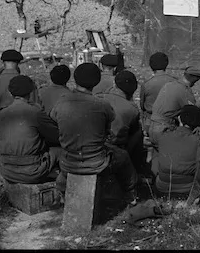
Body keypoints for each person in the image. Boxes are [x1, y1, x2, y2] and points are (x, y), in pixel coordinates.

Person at [51, 63, 138, 205]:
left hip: (68, 162)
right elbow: (108, 128)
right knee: (123, 156)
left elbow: (54, 118)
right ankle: (130, 194)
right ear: (97, 81)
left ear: (75, 79)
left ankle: (61, 192)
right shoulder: (102, 104)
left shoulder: (62, 101)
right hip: (96, 163)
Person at [0, 75, 61, 184]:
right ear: (31, 92)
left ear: (10, 93)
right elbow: (57, 137)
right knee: (61, 151)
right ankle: (62, 185)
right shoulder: (35, 112)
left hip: (6, 171)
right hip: (31, 172)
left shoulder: (0, 114)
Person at [96, 70, 144, 173]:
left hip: (93, 147)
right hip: (114, 149)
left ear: (115, 84)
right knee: (138, 131)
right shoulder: (131, 109)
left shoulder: (98, 98)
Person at [152, 105, 200, 199]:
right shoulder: (198, 141)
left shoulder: (164, 136)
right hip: (187, 191)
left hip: (162, 189)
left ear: (180, 119)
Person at [0, 50, 38, 135]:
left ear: (3, 63)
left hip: (0, 128)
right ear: (18, 63)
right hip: (24, 126)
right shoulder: (27, 82)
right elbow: (36, 106)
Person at [149, 67, 200, 146]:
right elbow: (192, 115)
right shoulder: (185, 90)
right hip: (164, 129)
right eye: (197, 79)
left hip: (152, 126)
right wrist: (198, 107)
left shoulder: (169, 84)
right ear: (193, 78)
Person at [139, 52, 178, 128]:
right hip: (170, 122)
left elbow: (142, 105)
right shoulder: (175, 82)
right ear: (166, 64)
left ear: (151, 66)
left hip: (151, 122)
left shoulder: (147, 84)